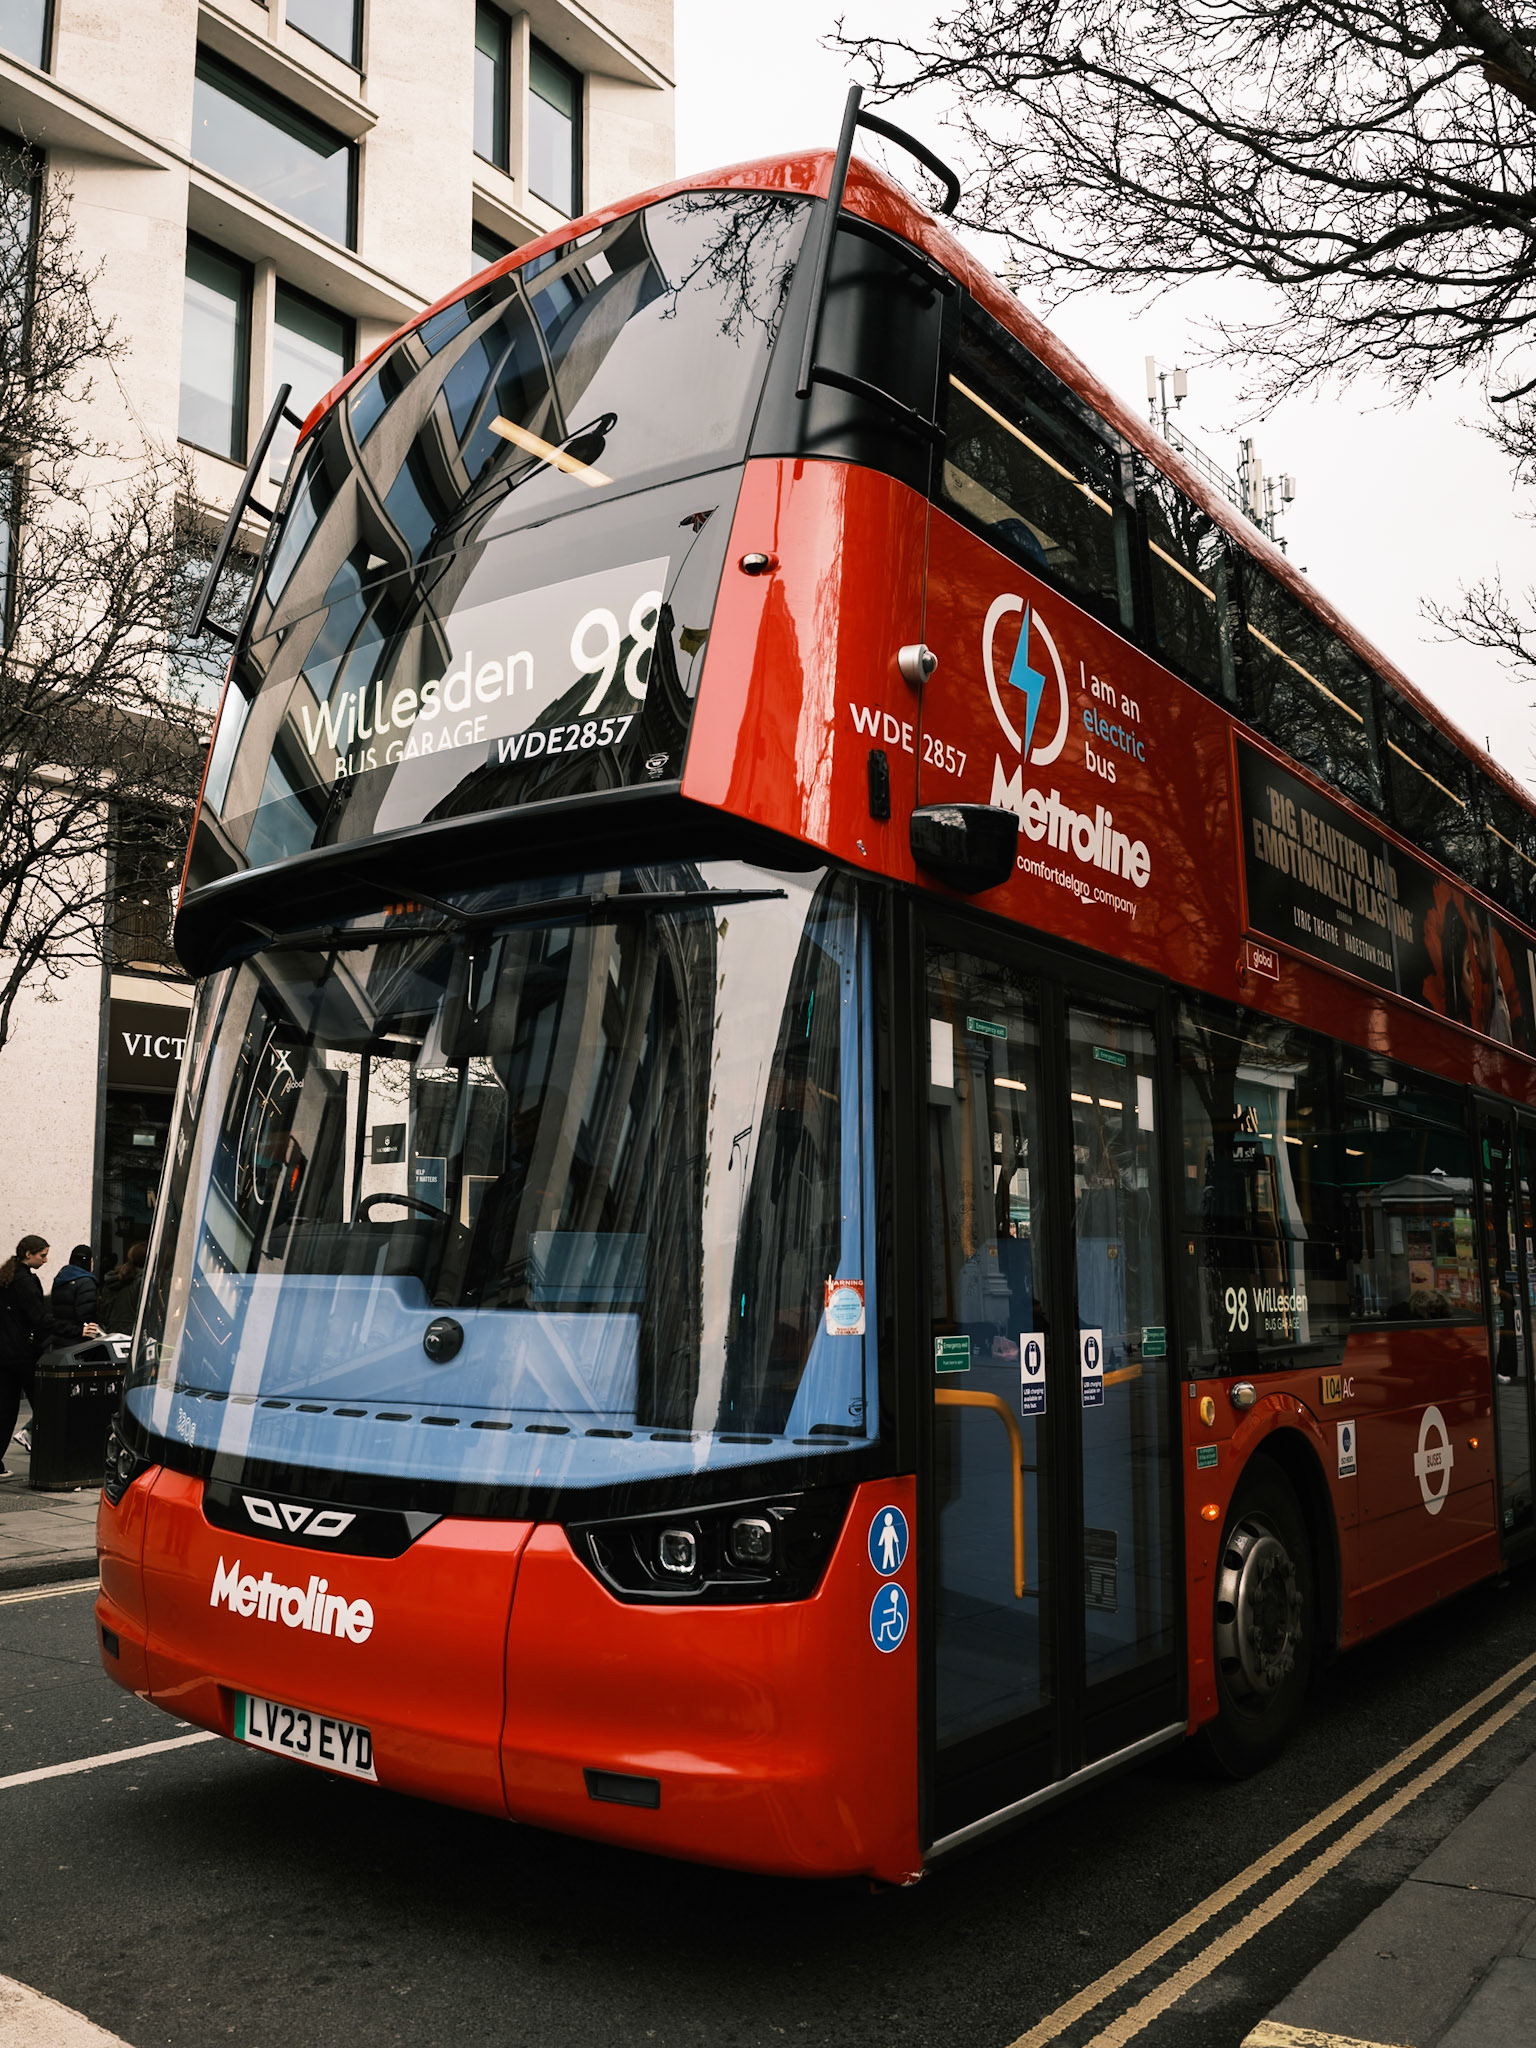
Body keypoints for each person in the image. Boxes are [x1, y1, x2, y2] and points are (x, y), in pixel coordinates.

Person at [0, 1236, 51, 1476]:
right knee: (44, 1405)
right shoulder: (26, 1282)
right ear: (28, 1254)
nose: (45, 1259)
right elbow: (39, 1318)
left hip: (5, 1352)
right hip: (23, 1353)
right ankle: (49, 1458)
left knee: (6, 1409)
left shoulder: (6, 1277)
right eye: (42, 1255)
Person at [49, 1243, 102, 1345]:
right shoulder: (86, 1282)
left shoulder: (60, 1278)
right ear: (89, 1262)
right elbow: (86, 1316)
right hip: (79, 1338)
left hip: (61, 1335)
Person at [98, 1241, 148, 1333]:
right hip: (134, 1334)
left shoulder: (114, 1278)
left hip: (112, 1331)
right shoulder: (143, 1281)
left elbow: (104, 1310)